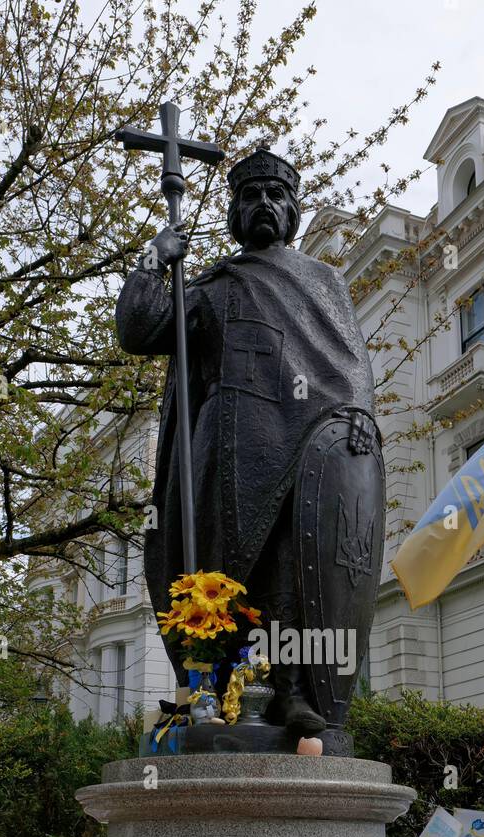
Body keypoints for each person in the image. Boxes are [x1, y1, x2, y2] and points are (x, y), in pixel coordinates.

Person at [115, 146, 381, 738]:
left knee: (292, 566)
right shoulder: (212, 285)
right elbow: (140, 330)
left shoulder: (323, 282)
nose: (264, 203)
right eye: (251, 195)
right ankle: (207, 692)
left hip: (303, 446)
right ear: (235, 212)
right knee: (217, 574)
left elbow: (351, 364)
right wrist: (155, 259)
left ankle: (289, 692)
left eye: (276, 194)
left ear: (293, 209)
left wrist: (360, 415)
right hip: (225, 449)